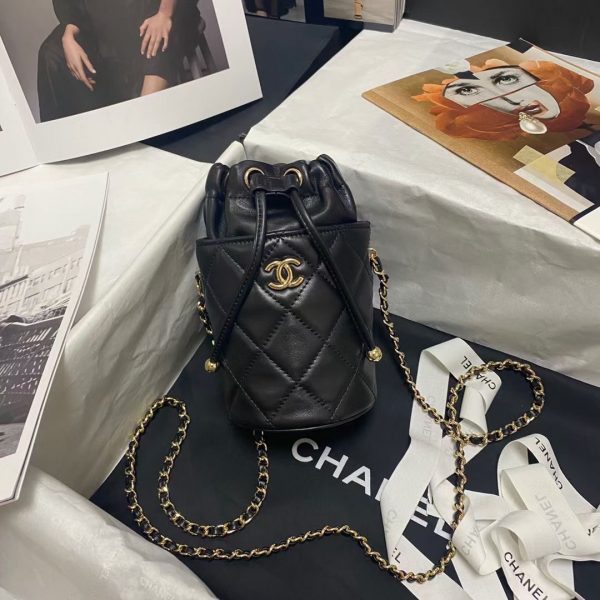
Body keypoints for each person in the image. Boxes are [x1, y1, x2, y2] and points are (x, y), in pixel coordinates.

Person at [38, 0, 201, 121]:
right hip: (105, 19)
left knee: (156, 37)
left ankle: (144, 120)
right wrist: (69, 35)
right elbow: (75, 8)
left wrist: (164, 13)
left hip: (161, 8)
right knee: (51, 53)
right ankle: (76, 143)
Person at [412, 59, 596, 141]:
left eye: (507, 79)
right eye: (469, 92)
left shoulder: (569, 81)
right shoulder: (504, 126)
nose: (513, 100)